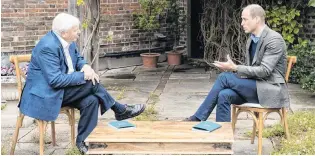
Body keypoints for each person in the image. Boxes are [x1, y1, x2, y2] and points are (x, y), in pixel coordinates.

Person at [18, 13, 146, 154]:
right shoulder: (47, 47)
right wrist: (83, 75)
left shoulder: (67, 42)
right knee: (91, 83)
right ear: (64, 32)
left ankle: (83, 141)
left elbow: (77, 58)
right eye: (75, 30)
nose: (78, 32)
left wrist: (85, 66)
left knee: (91, 100)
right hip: (45, 95)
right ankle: (119, 109)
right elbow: (55, 80)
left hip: (63, 90)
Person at [184, 4, 289, 122]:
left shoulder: (274, 39)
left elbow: (264, 71)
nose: (242, 23)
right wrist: (232, 69)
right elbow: (250, 69)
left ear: (257, 19)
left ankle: (198, 118)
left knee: (224, 78)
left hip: (270, 90)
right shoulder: (251, 39)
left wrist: (235, 68)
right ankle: (223, 138)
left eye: (245, 19)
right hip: (255, 87)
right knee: (223, 95)